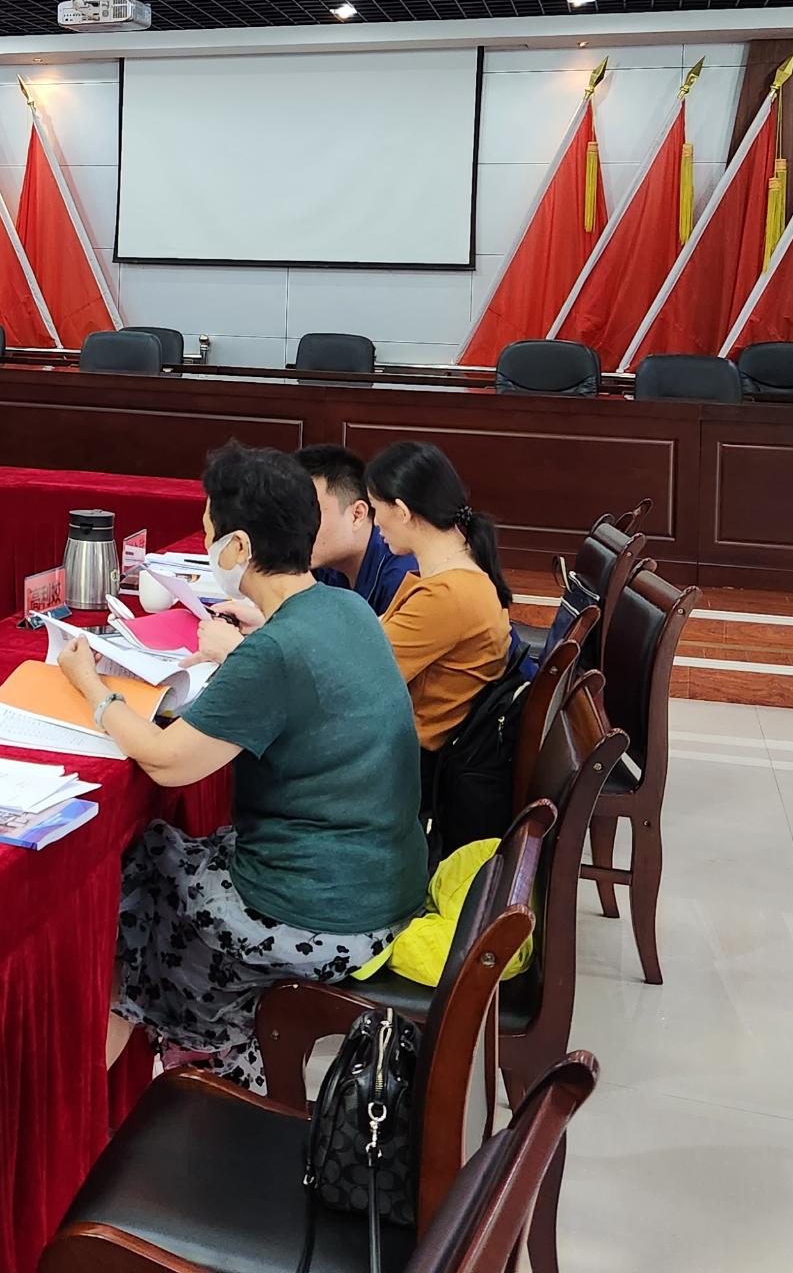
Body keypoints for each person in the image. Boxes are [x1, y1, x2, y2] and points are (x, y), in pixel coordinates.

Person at [58, 441, 423, 1087]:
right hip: (381, 882)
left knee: (139, 874)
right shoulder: (345, 608)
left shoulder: (274, 652)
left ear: (238, 549)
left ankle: (196, 1062)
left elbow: (167, 763)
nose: (207, 547)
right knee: (168, 853)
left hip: (321, 912)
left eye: (209, 534)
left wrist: (91, 686)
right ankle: (186, 1051)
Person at [360, 439, 515, 751]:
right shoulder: (457, 575)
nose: (375, 524)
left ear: (402, 511)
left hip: (409, 759)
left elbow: (360, 675)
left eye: (375, 510)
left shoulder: (448, 595)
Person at [296, 441, 417, 612]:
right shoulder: (322, 563)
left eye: (309, 514)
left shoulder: (401, 576)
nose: (295, 528)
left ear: (357, 515)